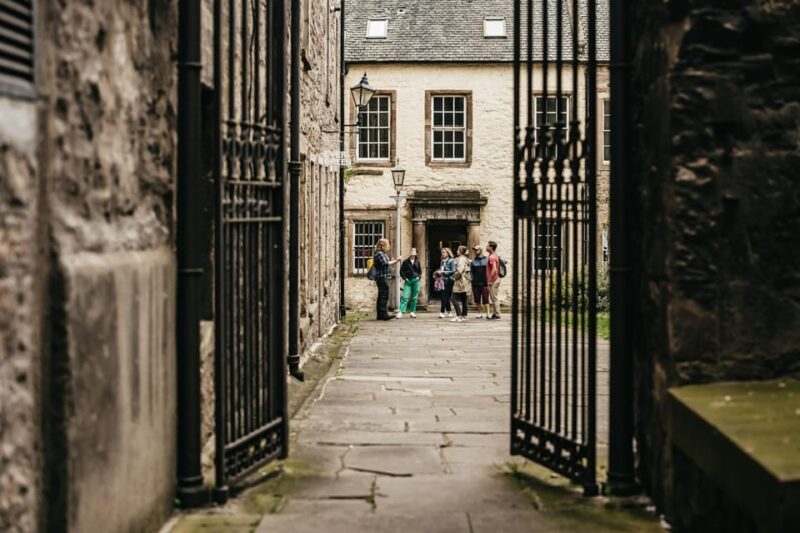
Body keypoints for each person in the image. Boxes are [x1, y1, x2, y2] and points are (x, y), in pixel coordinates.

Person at [373, 238, 401, 321]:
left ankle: (380, 315)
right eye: (388, 244)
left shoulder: (382, 254)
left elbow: (386, 263)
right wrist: (397, 260)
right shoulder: (380, 254)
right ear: (383, 245)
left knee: (381, 296)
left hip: (383, 277)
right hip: (382, 278)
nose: (389, 246)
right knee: (384, 296)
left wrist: (392, 260)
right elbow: (386, 263)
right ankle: (384, 315)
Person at [397, 248, 422, 319]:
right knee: (405, 296)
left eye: (414, 251)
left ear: (416, 253)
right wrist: (405, 278)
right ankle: (401, 312)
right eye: (411, 250)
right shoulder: (405, 261)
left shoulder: (417, 262)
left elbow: (420, 271)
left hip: (416, 280)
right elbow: (401, 271)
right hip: (408, 281)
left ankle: (412, 312)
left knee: (414, 297)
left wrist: (418, 277)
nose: (412, 252)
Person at [450, 245, 471, 322]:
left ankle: (459, 316)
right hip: (465, 281)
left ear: (461, 251)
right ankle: (464, 316)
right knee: (464, 298)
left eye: (458, 250)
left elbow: (459, 271)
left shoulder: (461, 259)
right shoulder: (466, 259)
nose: (457, 251)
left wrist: (453, 277)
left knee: (453, 298)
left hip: (460, 281)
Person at [433, 248, 456, 318]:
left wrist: (443, 272)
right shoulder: (442, 261)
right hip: (442, 280)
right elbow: (441, 270)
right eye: (442, 252)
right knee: (446, 296)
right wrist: (437, 272)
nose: (442, 254)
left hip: (449, 280)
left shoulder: (452, 261)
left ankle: (442, 312)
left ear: (448, 253)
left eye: (444, 252)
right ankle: (449, 312)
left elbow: (453, 271)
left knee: (444, 296)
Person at [470, 245, 490, 319]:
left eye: (476, 250)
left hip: (485, 282)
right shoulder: (473, 261)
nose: (475, 251)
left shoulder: (487, 260)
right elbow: (471, 272)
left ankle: (488, 313)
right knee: (477, 299)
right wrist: (472, 279)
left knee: (486, 298)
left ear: (481, 250)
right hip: (475, 283)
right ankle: (479, 313)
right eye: (474, 250)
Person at [486, 240, 502, 320]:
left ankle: (497, 314)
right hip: (496, 279)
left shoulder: (492, 256)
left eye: (487, 245)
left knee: (494, 297)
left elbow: (494, 269)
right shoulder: (493, 255)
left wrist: (489, 279)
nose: (486, 247)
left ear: (491, 247)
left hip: (494, 280)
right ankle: (496, 313)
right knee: (493, 297)